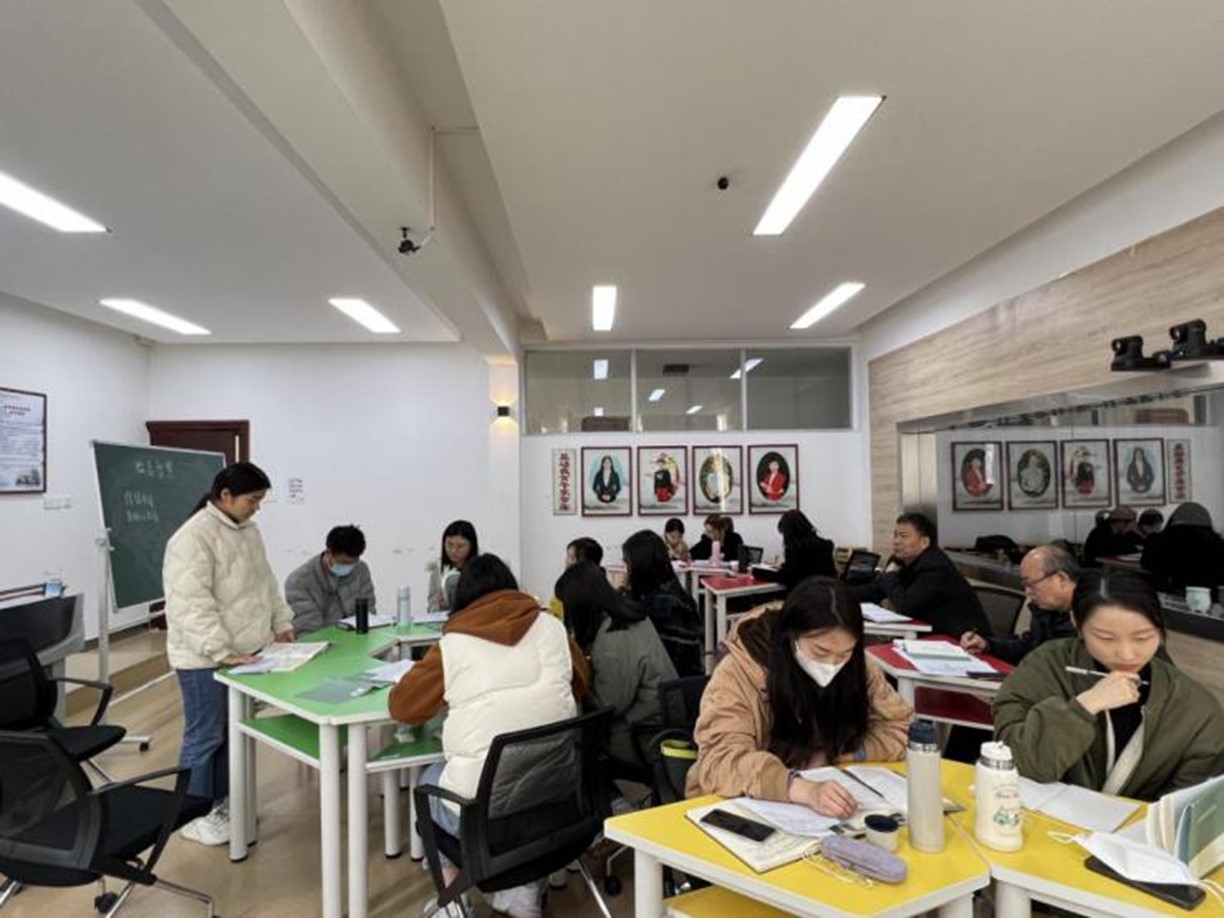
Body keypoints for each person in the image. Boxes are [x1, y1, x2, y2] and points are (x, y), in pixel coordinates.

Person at [389, 554, 590, 918]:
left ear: (462, 598)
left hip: (484, 815)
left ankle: (454, 901)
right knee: (524, 763)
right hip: (559, 796)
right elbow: (581, 684)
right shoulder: (552, 627)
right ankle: (523, 891)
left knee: (429, 781)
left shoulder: (453, 644)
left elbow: (403, 707)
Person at [687, 578, 913, 814]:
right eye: (820, 652)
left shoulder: (857, 665)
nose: (832, 664)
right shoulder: (740, 670)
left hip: (827, 790)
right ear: (791, 637)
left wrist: (844, 754)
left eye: (844, 654)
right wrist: (800, 788)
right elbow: (720, 760)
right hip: (738, 801)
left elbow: (901, 726)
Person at [993, 571, 1224, 801]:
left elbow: (1194, 804)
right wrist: (1084, 707)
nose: (1126, 654)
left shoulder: (1196, 708)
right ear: (1076, 623)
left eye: (1142, 638)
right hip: (1038, 816)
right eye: (1105, 638)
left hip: (1138, 824)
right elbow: (1014, 764)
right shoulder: (1046, 666)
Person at [164, 461, 294, 846]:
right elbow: (190, 605)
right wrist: (221, 650)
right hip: (204, 659)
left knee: (230, 732)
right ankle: (191, 813)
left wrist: (281, 622)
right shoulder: (192, 538)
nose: (257, 507)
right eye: (252, 499)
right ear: (225, 496)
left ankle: (221, 804)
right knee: (205, 735)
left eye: (260, 500)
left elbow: (265, 583)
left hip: (245, 653)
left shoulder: (247, 530)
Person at [555, 561, 677, 770]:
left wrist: (579, 682)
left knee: (574, 740)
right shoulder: (627, 613)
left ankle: (600, 789)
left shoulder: (612, 638)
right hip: (665, 719)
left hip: (645, 734)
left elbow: (609, 703)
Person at [850, 512, 990, 638]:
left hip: (964, 641)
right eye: (895, 535)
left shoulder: (935, 567)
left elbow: (905, 607)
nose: (896, 541)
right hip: (928, 636)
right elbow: (875, 590)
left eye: (903, 536)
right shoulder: (900, 561)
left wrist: (891, 575)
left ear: (924, 542)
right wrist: (840, 594)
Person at [961, 545, 1079, 663]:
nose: (1028, 592)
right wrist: (988, 645)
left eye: (1031, 584)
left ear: (1060, 578)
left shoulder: (1085, 614)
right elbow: (1028, 647)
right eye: (1025, 585)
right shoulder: (1046, 609)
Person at [622, 530, 704, 676]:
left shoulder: (666, 604)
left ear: (641, 565)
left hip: (675, 683)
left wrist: (619, 592)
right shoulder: (662, 589)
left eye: (627, 563)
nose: (625, 570)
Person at [284, 524, 376, 634]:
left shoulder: (360, 569)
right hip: (320, 640)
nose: (348, 567)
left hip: (355, 637)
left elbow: (368, 614)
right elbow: (307, 627)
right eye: (343, 563)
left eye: (352, 563)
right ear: (328, 553)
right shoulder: (299, 581)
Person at [1141, 501, 1224, 600]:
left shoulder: (1157, 540)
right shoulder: (1217, 543)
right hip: (1207, 597)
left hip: (1168, 596)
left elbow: (1147, 564)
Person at [754, 509, 836, 594]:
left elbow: (788, 577)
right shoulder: (825, 546)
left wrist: (758, 572)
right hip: (828, 593)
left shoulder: (795, 551)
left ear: (789, 533)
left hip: (804, 595)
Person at [426, 520, 477, 615]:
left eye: (460, 546)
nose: (454, 550)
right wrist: (439, 606)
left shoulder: (481, 569)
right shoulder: (437, 571)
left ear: (471, 546)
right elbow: (431, 607)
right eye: (449, 545)